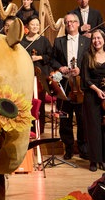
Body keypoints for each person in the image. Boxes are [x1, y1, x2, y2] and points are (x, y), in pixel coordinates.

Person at [50, 13, 91, 161]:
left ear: (78, 24)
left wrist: (80, 68)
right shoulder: (59, 41)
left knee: (82, 119)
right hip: (65, 85)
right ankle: (68, 148)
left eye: (73, 22)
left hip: (81, 87)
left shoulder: (87, 42)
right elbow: (52, 60)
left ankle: (83, 148)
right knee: (65, 119)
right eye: (67, 22)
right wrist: (60, 67)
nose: (70, 24)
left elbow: (90, 60)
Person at [20, 15, 52, 134]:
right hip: (26, 77)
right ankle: (27, 128)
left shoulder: (44, 41)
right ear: (27, 26)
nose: (35, 27)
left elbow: (50, 56)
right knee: (27, 102)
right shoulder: (22, 41)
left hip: (40, 78)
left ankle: (40, 128)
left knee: (40, 102)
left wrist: (39, 57)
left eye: (37, 25)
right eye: (32, 24)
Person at [81, 29, 105, 171]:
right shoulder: (87, 56)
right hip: (92, 94)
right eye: (94, 38)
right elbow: (85, 78)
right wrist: (97, 90)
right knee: (93, 128)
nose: (96, 41)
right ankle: (94, 160)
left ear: (103, 39)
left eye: (99, 38)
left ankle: (103, 159)